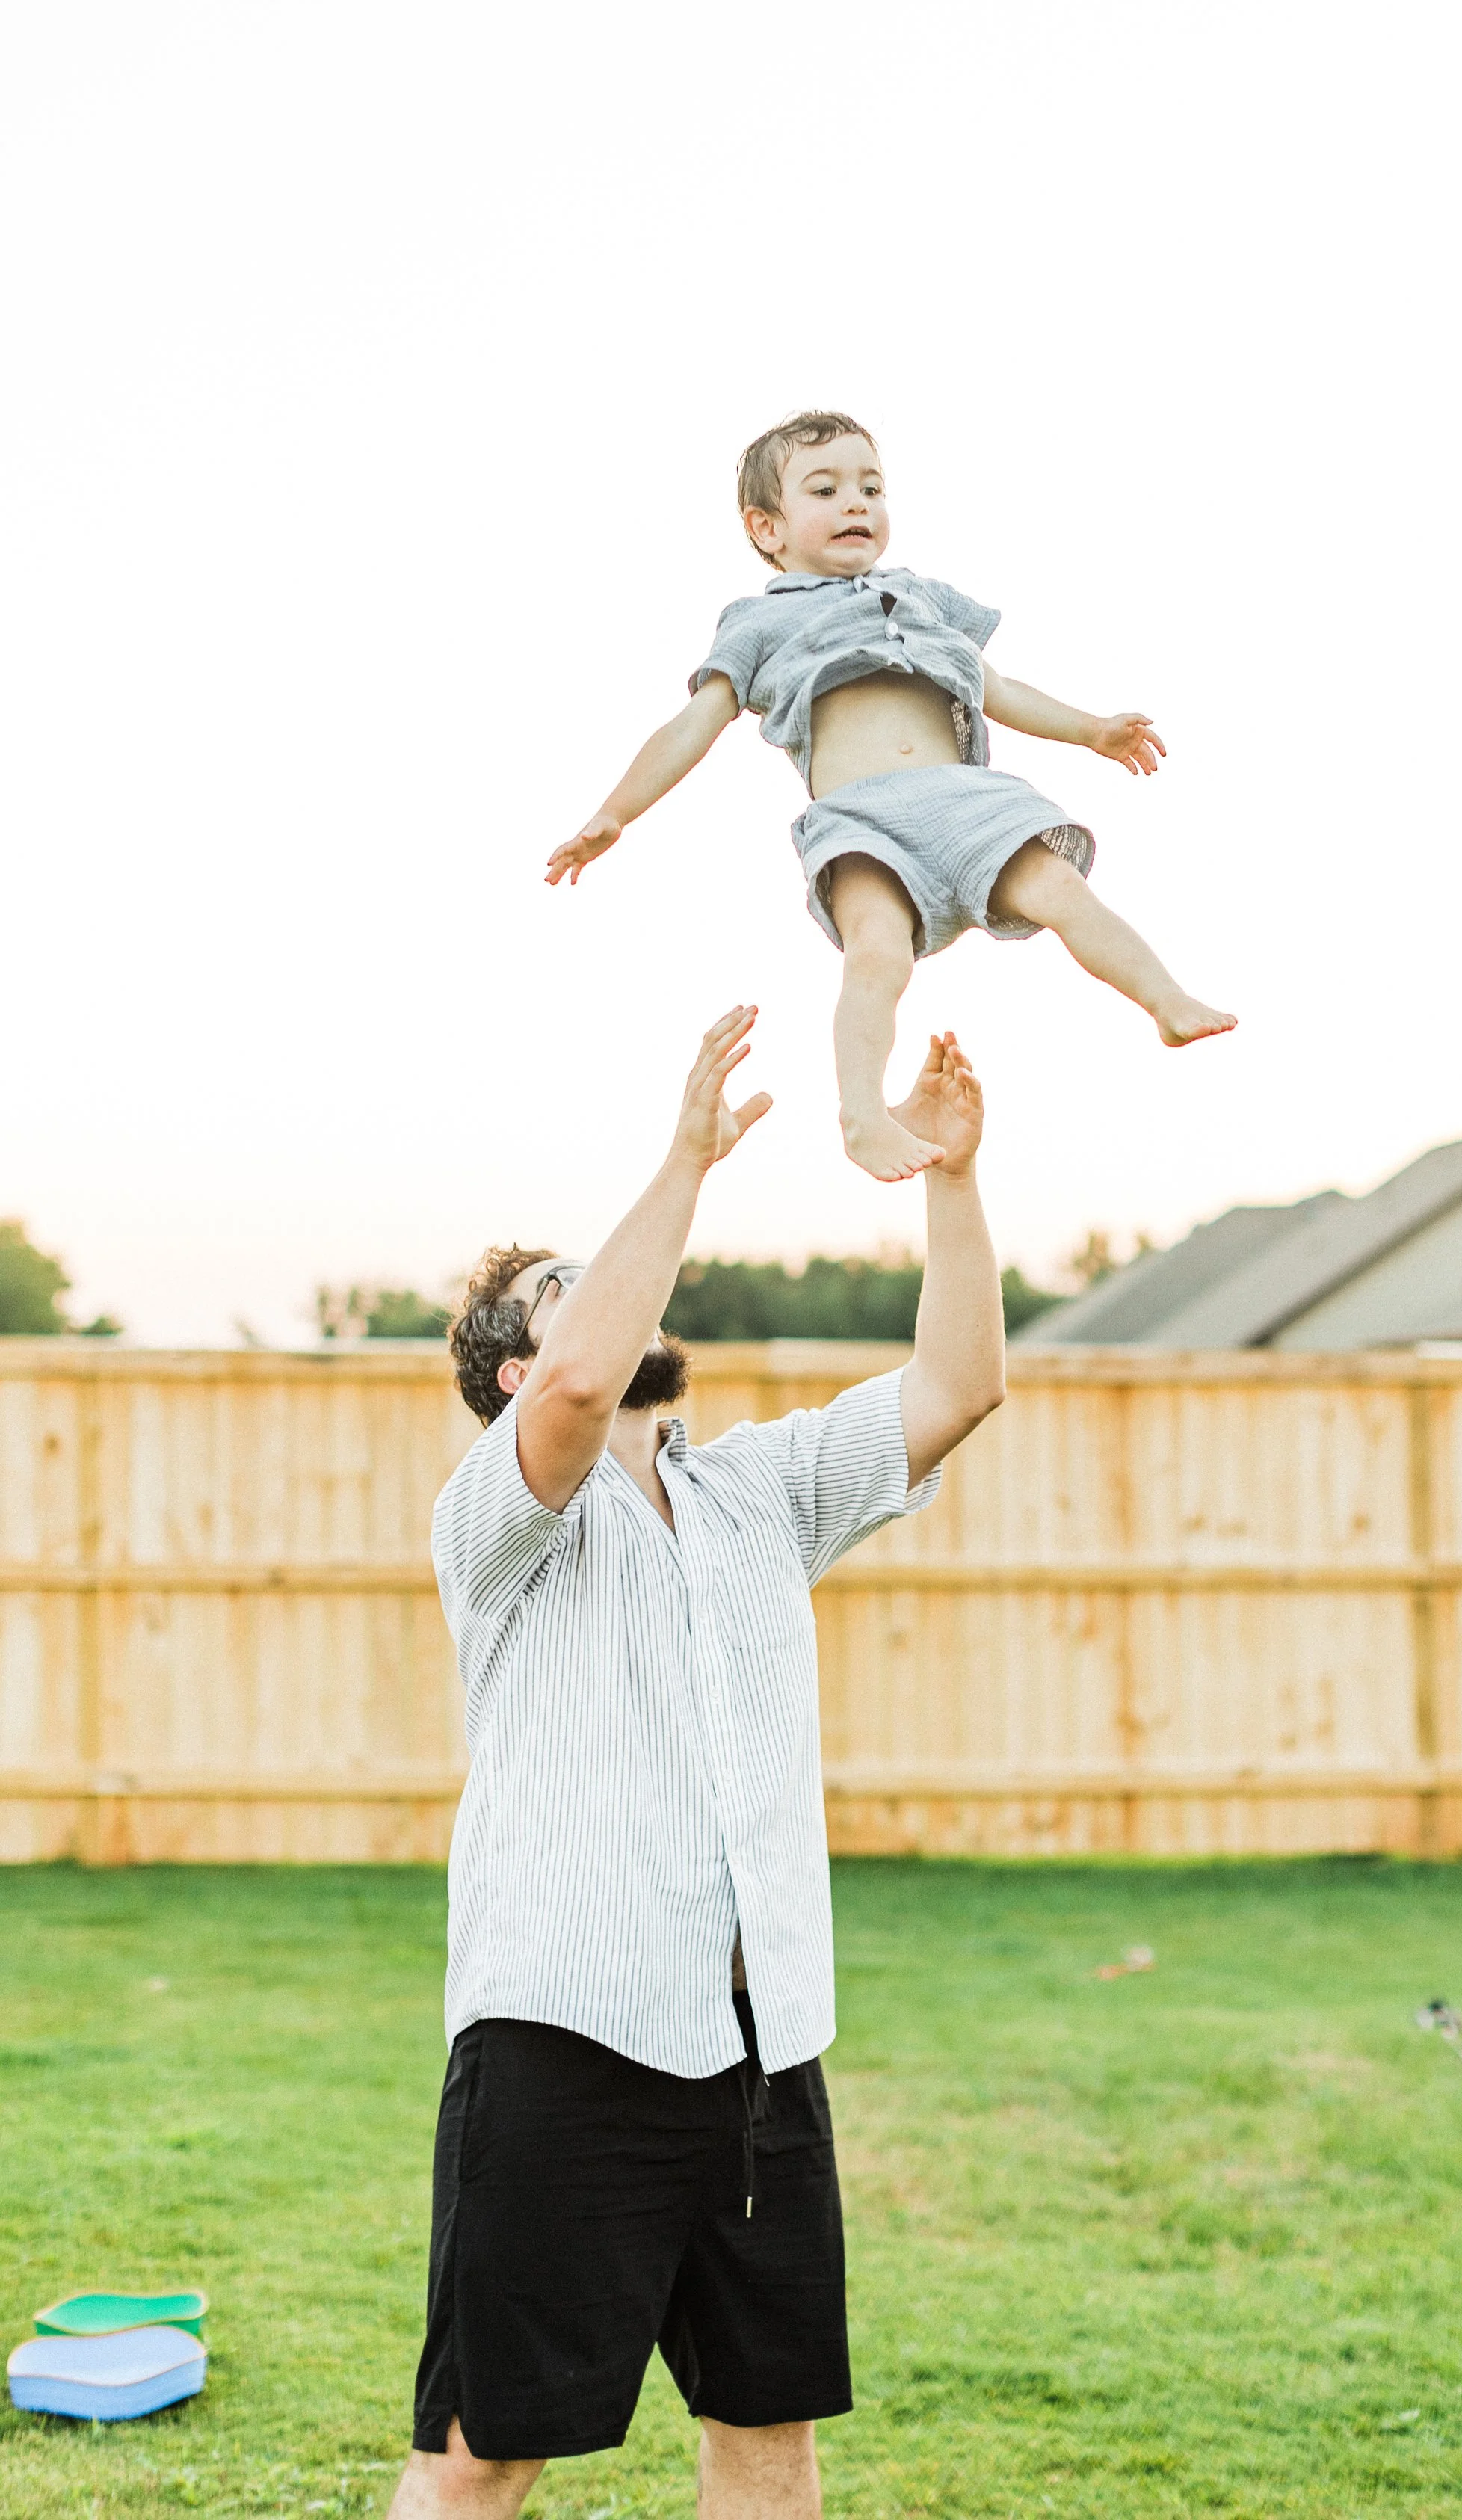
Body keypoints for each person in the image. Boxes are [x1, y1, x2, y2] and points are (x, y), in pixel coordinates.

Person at [384, 1008, 1006, 2520]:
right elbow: (581, 1395)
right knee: (489, 2447)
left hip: (760, 2055)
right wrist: (683, 1157)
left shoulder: (761, 1494)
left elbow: (957, 1387)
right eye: (564, 1293)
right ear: (513, 1369)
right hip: (561, 2044)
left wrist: (951, 1182)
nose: (611, 1302)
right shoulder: (501, 1524)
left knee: (769, 2439)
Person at [543, 410, 1235, 1183]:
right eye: (826, 489)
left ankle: (1165, 1002)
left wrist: (1091, 730)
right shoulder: (760, 622)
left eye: (871, 488)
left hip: (970, 801)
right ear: (766, 527)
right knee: (875, 955)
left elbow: (997, 689)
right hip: (862, 819)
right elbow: (689, 726)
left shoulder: (925, 596)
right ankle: (864, 1116)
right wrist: (615, 812)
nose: (856, 505)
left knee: (1063, 891)